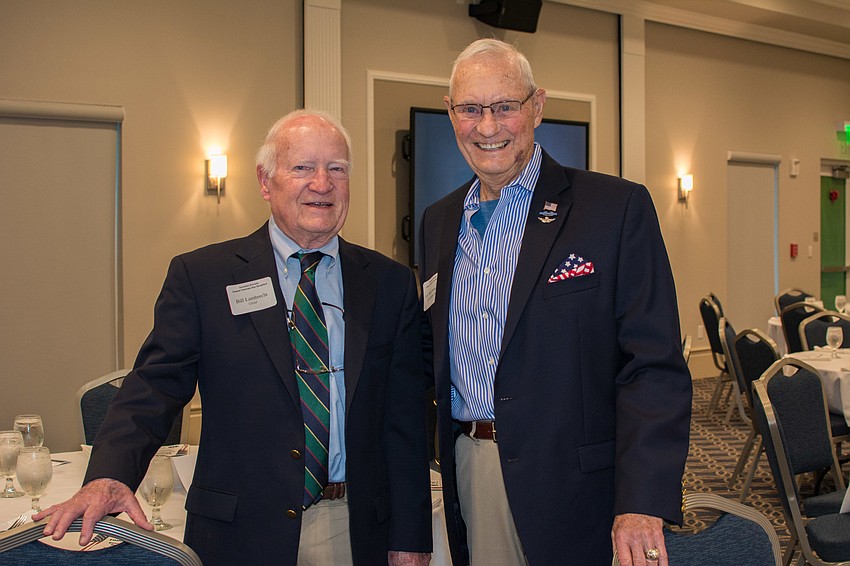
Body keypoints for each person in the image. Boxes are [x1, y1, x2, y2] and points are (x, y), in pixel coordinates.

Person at [35, 109, 433, 566]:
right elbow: (153, 387)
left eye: (337, 169)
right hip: (241, 532)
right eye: (302, 167)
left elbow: (405, 421)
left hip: (355, 529)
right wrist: (108, 476)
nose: (322, 183)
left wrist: (412, 536)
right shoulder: (203, 277)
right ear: (265, 181)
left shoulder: (388, 283)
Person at [419, 38, 692, 566]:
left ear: (537, 106)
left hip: (579, 491)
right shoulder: (439, 221)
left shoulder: (614, 208)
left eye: (505, 106)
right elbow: (429, 353)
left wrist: (641, 501)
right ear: (451, 113)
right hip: (472, 471)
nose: (487, 126)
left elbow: (654, 367)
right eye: (470, 109)